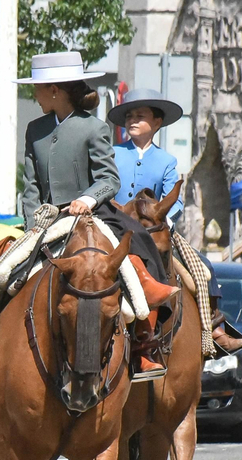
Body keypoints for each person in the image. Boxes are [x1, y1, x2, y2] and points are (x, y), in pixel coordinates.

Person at [17, 51, 176, 381]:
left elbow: (109, 179)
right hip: (47, 221)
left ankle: (145, 342)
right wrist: (32, 223)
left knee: (137, 248)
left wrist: (87, 199)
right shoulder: (35, 129)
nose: (34, 94)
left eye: (39, 88)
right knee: (2, 273)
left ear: (56, 90)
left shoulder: (94, 127)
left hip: (90, 214)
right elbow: (30, 184)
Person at [109, 88, 183, 222]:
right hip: (114, 225)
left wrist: (167, 222)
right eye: (129, 116)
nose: (133, 120)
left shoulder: (166, 161)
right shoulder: (112, 154)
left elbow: (175, 203)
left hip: (151, 229)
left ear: (157, 122)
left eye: (140, 116)